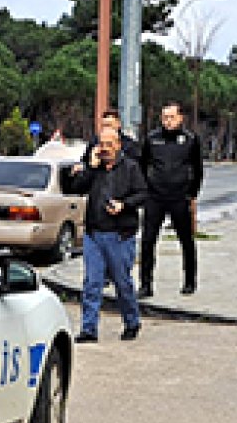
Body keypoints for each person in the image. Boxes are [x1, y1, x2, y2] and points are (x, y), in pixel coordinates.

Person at [63, 123, 148, 343]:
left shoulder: (130, 168)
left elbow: (143, 194)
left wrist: (124, 205)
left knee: (122, 282)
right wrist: (89, 168)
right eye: (101, 144)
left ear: (118, 145)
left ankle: (132, 321)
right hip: (94, 234)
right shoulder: (94, 168)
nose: (105, 148)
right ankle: (89, 329)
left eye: (109, 144)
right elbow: (76, 188)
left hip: (120, 235)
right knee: (92, 283)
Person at [138, 100, 204, 297]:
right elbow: (142, 165)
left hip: (179, 197)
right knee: (148, 241)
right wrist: (145, 191)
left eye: (172, 117)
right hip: (155, 197)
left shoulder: (190, 139)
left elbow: (198, 169)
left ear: (180, 118)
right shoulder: (152, 139)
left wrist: (191, 194)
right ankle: (145, 284)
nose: (168, 121)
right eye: (165, 117)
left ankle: (189, 281)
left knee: (186, 240)